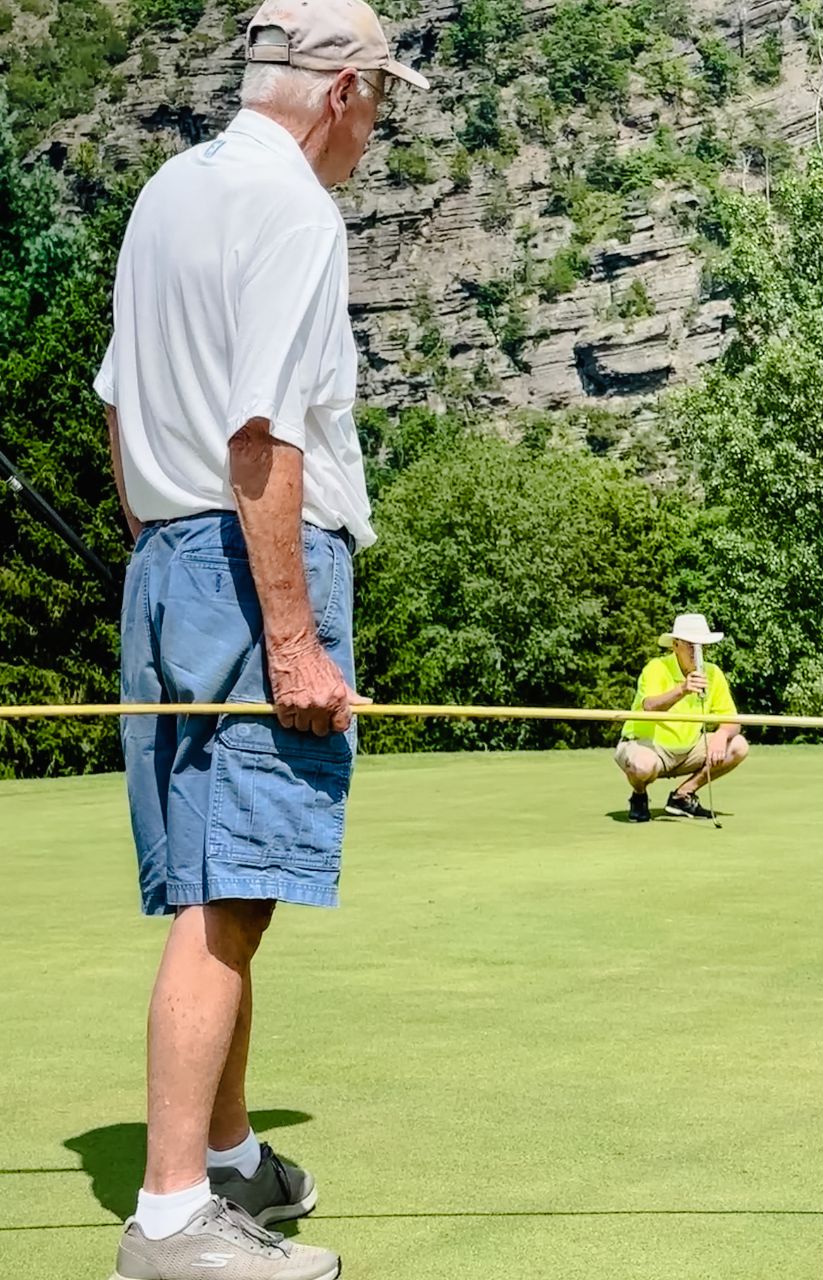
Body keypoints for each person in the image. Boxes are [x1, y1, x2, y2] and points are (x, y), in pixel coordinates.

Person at [94, 5, 428, 1278]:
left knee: (216, 883)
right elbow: (262, 438)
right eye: (379, 101)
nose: (374, 130)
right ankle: (174, 1217)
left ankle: (228, 1153)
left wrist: (161, 560)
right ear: (343, 89)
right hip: (252, 561)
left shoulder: (168, 191)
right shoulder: (294, 210)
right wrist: (292, 639)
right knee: (227, 899)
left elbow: (125, 413)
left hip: (168, 561)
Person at [615, 613, 749, 822]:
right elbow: (650, 706)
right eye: (690, 645)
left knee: (738, 745)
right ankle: (639, 796)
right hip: (647, 746)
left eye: (701, 646)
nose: (697, 652)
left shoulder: (713, 673)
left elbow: (732, 720)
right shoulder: (656, 668)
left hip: (687, 750)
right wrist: (683, 689)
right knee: (642, 766)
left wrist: (722, 733)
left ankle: (683, 795)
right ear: (675, 645)